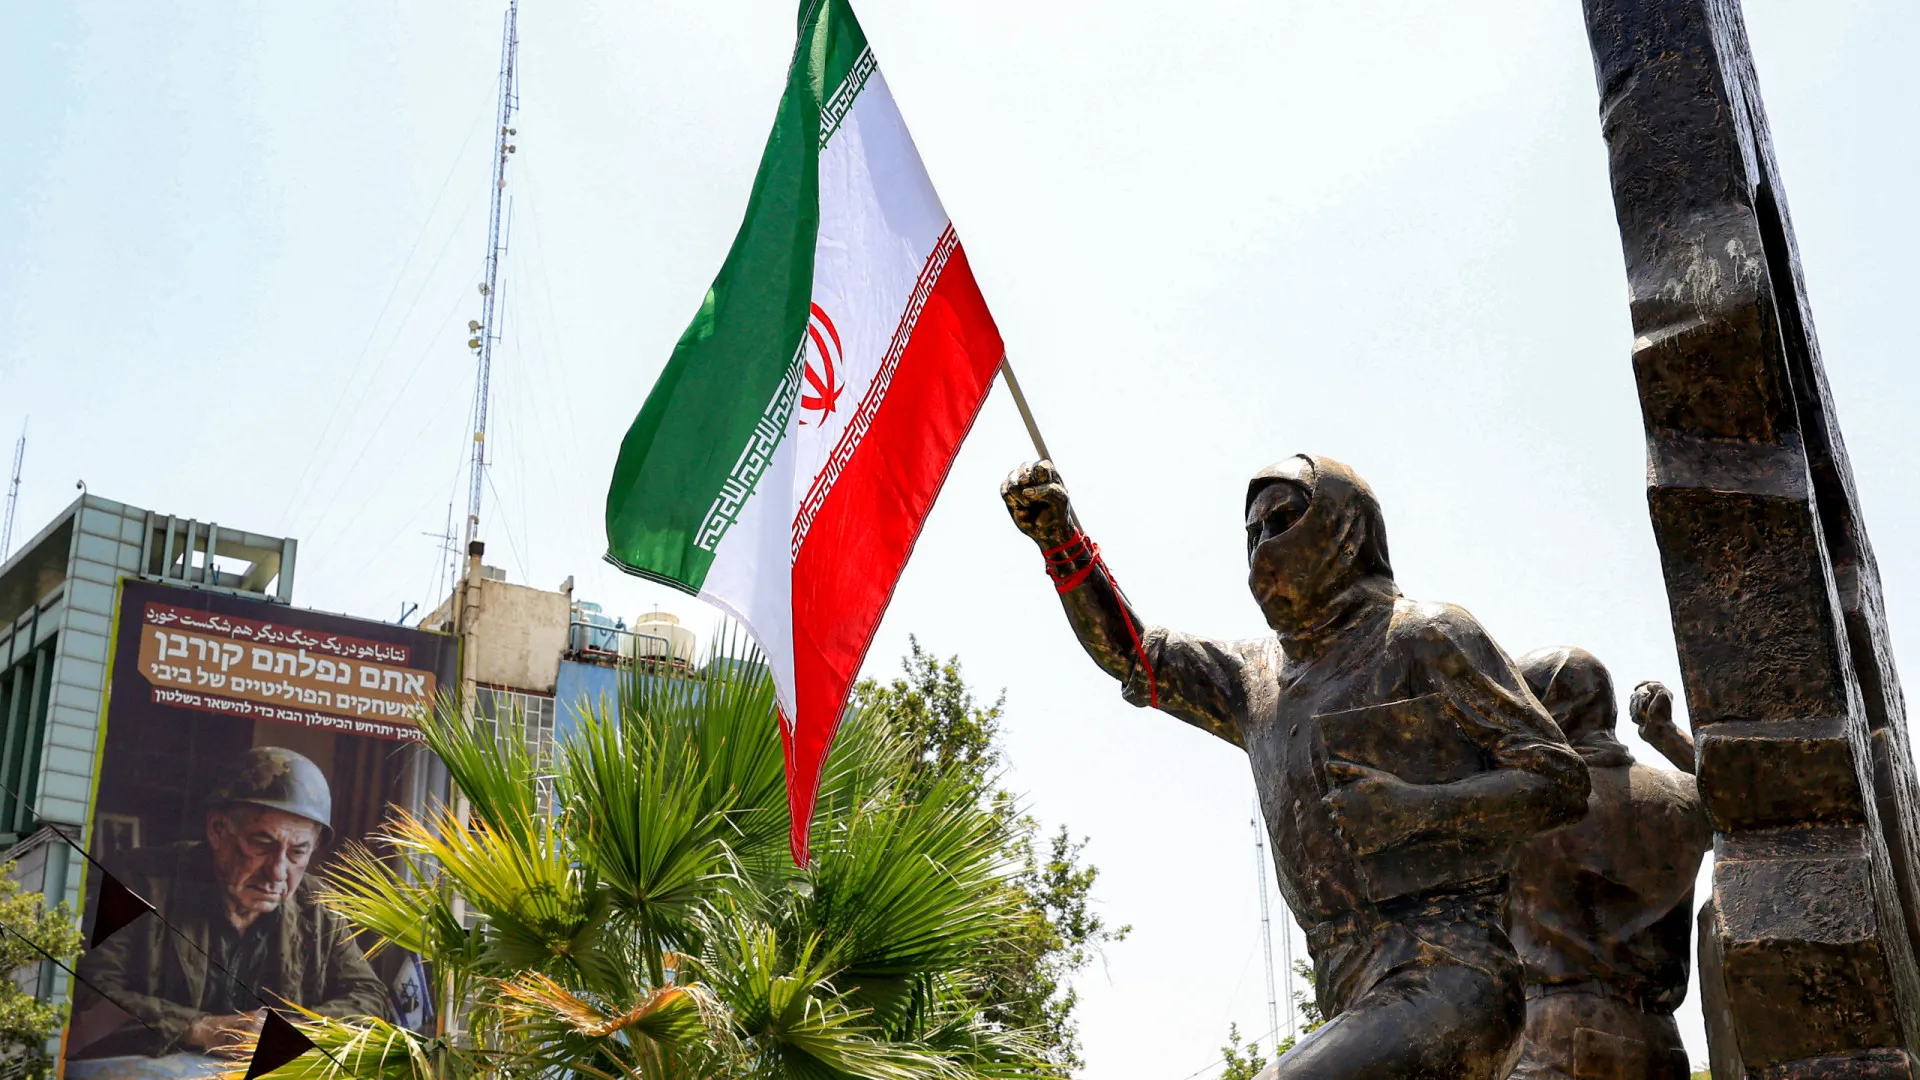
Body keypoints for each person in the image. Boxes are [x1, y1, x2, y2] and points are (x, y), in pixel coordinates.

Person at [1001, 455, 1590, 1079]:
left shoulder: (1427, 635)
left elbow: (1559, 781)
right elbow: (1135, 656)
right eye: (1253, 532)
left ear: (1346, 529)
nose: (1263, 546)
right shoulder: (1253, 676)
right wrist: (1061, 540)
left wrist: (1416, 809)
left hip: (1450, 974)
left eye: (1283, 521)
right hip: (1344, 982)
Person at [74, 746, 389, 1059]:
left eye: (297, 853)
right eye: (261, 844)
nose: (278, 872)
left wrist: (292, 1031)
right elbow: (87, 992)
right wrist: (201, 1028)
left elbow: (371, 998)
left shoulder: (319, 906)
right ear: (217, 829)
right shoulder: (138, 881)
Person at [1505, 648, 1711, 1080]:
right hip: (1660, 1043)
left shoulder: (1530, 802)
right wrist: (1667, 735)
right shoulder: (1685, 796)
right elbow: (1748, 806)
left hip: (1554, 1036)